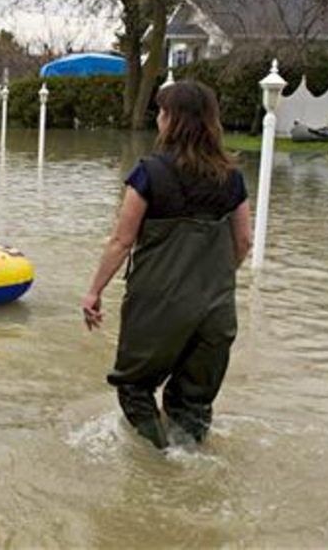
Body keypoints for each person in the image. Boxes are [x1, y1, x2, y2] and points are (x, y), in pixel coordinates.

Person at [81, 80, 253, 450]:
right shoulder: (233, 178)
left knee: (134, 387)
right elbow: (244, 242)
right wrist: (214, 282)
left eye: (161, 112)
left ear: (171, 120)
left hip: (158, 305)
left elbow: (121, 241)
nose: (158, 118)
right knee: (193, 402)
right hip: (216, 310)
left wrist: (94, 291)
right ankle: (187, 463)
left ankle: (157, 463)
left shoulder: (149, 173)